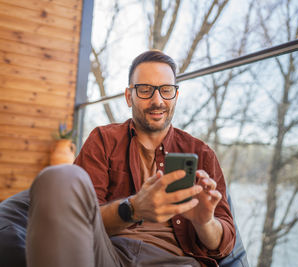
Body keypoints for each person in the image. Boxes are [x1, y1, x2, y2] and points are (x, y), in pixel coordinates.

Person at [26, 50, 236, 267]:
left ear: (175, 95)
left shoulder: (201, 153)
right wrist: (132, 208)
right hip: (109, 255)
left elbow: (225, 242)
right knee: (56, 176)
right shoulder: (103, 140)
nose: (158, 100)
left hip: (177, 261)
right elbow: (82, 221)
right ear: (129, 96)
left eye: (166, 90)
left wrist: (205, 223)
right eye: (145, 90)